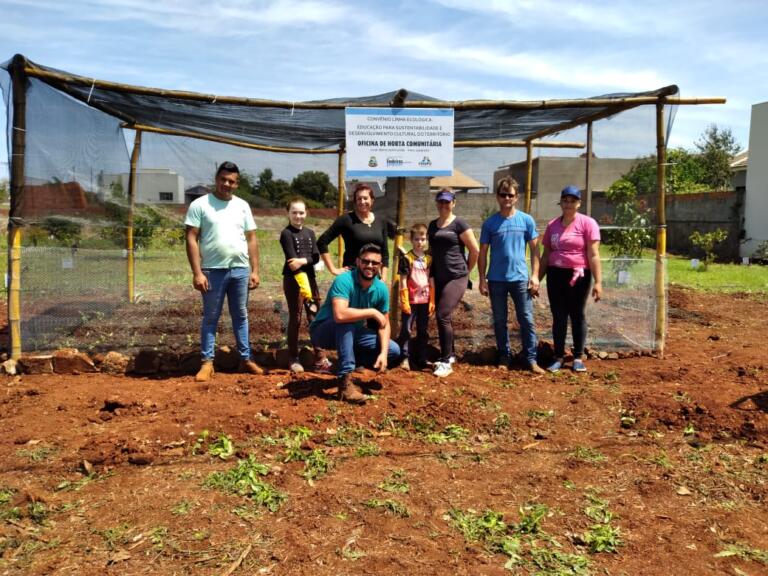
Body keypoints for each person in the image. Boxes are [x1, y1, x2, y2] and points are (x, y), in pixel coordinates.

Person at [184, 161, 264, 382]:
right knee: (211, 317)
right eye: (223, 179)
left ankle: (246, 360)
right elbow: (191, 237)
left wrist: (255, 270)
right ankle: (207, 363)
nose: (226, 184)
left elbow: (252, 238)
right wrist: (197, 272)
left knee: (241, 316)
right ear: (216, 179)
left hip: (240, 270)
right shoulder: (200, 205)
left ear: (236, 184)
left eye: (231, 181)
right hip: (212, 271)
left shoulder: (242, 206)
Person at [309, 244, 401, 403]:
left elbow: (384, 324)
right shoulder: (344, 280)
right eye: (366, 261)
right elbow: (339, 315)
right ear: (358, 262)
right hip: (324, 331)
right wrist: (372, 312)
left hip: (352, 333)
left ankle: (345, 361)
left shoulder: (381, 289)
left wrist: (383, 354)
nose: (370, 266)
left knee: (393, 350)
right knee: (346, 320)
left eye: (375, 263)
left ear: (380, 266)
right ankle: (344, 384)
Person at [478, 177, 546, 374]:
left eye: (511, 195)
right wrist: (482, 279)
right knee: (500, 320)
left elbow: (535, 251)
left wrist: (535, 276)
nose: (507, 198)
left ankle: (531, 359)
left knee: (526, 318)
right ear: (497, 197)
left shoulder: (526, 220)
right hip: (497, 280)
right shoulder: (490, 224)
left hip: (520, 280)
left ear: (517, 197)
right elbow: (482, 253)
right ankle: (504, 356)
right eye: (503, 194)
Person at [539, 185, 603, 373]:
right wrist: (537, 278)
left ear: (579, 203)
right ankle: (558, 356)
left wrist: (598, 282)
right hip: (555, 275)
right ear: (561, 202)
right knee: (558, 316)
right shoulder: (553, 225)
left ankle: (577, 358)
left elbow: (593, 255)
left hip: (579, 275)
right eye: (565, 200)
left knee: (577, 314)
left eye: (572, 201)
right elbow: (545, 255)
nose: (568, 204)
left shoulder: (588, 223)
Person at [427, 189, 480, 378]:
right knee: (444, 317)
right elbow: (431, 252)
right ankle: (450, 355)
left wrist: (466, 270)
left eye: (447, 202)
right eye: (440, 202)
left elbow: (474, 250)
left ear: (454, 203)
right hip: (438, 276)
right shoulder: (432, 225)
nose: (443, 205)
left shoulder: (460, 224)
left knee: (442, 314)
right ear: (436, 203)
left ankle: (445, 360)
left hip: (456, 276)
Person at [279, 198, 333, 374]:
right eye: (294, 212)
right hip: (294, 280)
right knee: (295, 317)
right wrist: (306, 261)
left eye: (301, 212)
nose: (298, 216)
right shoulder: (286, 234)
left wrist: (303, 260)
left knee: (315, 317)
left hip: (310, 279)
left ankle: (320, 357)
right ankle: (293, 357)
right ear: (288, 213)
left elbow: (316, 257)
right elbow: (292, 263)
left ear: (306, 213)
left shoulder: (310, 233)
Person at [317, 183, 391, 281]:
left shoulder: (381, 220)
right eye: (359, 199)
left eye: (365, 198)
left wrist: (384, 278)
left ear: (372, 200)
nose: (362, 201)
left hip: (374, 276)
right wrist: (333, 269)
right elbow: (322, 242)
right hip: (352, 277)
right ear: (355, 202)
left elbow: (384, 252)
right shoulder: (346, 220)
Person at [396, 223, 435, 371]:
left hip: (424, 300)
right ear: (411, 240)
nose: (420, 242)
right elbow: (403, 279)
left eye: (423, 239)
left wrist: (432, 299)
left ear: (426, 240)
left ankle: (422, 358)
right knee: (406, 330)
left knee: (423, 330)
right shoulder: (407, 258)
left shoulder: (429, 259)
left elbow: (430, 279)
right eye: (417, 239)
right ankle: (404, 358)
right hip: (411, 301)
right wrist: (404, 299)